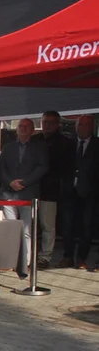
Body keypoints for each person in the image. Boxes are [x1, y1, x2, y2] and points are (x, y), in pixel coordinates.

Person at [0, 118, 49, 268]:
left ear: (33, 130)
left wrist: (24, 182)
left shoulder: (39, 147)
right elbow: (1, 169)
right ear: (16, 129)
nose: (23, 128)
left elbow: (42, 167)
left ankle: (25, 262)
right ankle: (10, 260)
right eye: (21, 126)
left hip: (28, 194)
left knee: (27, 230)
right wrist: (10, 182)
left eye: (27, 126)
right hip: (8, 193)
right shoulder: (8, 147)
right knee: (11, 228)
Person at [59, 114, 98, 270]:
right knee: (67, 225)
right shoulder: (69, 143)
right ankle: (68, 256)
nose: (80, 127)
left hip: (89, 192)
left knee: (86, 225)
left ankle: (81, 258)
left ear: (91, 127)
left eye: (84, 124)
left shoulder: (96, 144)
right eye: (79, 124)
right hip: (69, 190)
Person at [37, 111, 73, 268]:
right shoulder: (35, 140)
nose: (47, 125)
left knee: (48, 226)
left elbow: (67, 168)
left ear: (58, 124)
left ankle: (45, 257)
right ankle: (27, 256)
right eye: (45, 121)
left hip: (52, 190)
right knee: (28, 226)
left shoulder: (65, 143)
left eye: (51, 122)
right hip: (31, 188)